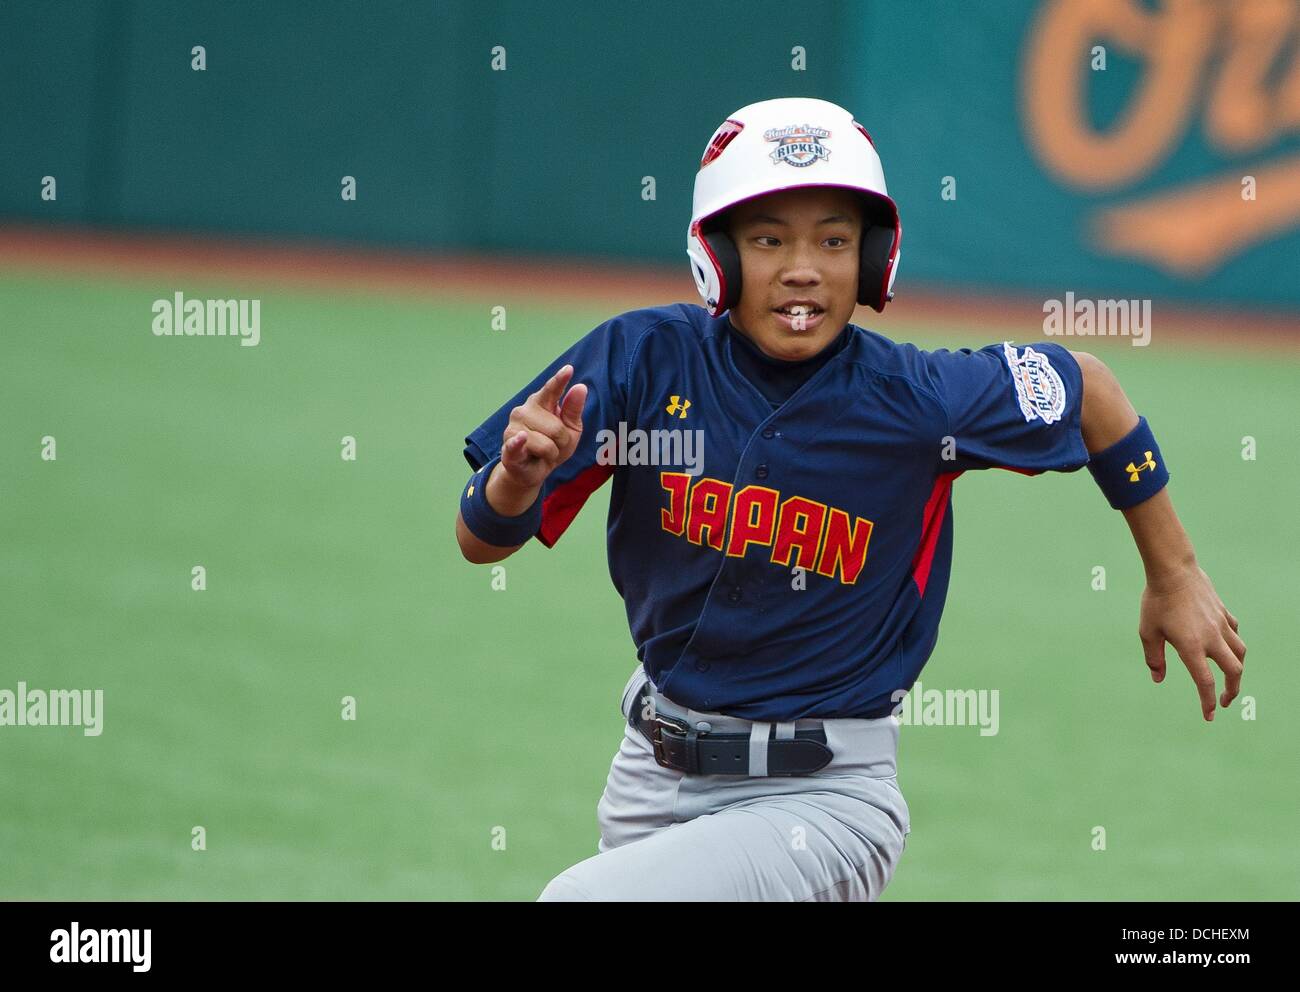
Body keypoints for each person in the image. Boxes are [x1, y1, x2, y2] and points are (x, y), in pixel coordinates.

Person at [454, 97, 1246, 901]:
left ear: (873, 262)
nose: (804, 267)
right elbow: (480, 538)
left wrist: (1174, 573)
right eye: (769, 241)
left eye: (834, 241)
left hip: (821, 802)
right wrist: (516, 480)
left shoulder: (920, 399)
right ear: (717, 258)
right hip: (649, 776)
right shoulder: (640, 359)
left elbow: (1090, 392)